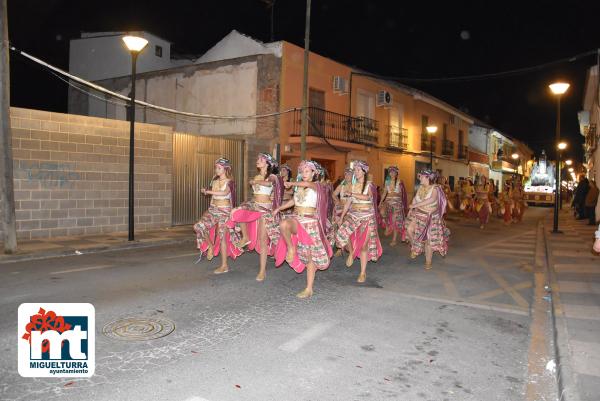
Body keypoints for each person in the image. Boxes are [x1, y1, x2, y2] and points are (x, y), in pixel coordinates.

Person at [274, 160, 333, 298]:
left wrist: (292, 183)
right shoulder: (299, 188)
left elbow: (306, 183)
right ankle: (291, 248)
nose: (304, 173)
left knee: (310, 257)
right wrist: (279, 208)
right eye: (302, 171)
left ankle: (309, 288)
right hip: (298, 218)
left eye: (307, 171)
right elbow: (294, 201)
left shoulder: (316, 185)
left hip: (310, 222)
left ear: (314, 173)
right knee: (284, 224)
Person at [227, 153, 283, 281]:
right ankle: (245, 236)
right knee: (237, 212)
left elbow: (269, 185)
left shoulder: (273, 176)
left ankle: (262, 271)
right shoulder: (257, 175)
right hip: (255, 204)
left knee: (263, 240)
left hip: (265, 208)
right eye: (257, 159)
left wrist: (256, 181)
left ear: (268, 163)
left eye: (261, 159)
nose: (258, 161)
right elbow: (257, 192)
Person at [335, 160, 382, 283]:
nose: (355, 172)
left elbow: (367, 197)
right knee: (342, 234)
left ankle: (362, 273)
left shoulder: (369, 185)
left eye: (357, 170)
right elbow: (348, 203)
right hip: (353, 215)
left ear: (364, 171)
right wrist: (341, 217)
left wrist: (352, 193)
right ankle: (351, 252)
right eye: (354, 170)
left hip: (367, 217)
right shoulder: (353, 185)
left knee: (364, 247)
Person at [193, 158, 242, 274]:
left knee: (222, 236)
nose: (216, 170)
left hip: (225, 212)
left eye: (219, 168)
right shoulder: (214, 182)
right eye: (216, 167)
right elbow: (213, 199)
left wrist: (208, 191)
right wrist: (208, 211)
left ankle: (224, 265)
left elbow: (224, 193)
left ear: (225, 169)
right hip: (214, 210)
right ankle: (210, 246)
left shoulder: (230, 182)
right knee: (198, 226)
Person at [405, 170, 450, 269]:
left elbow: (432, 199)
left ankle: (428, 261)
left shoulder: (435, 188)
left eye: (421, 176)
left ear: (427, 178)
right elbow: (415, 198)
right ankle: (416, 247)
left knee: (428, 241)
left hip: (430, 217)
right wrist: (412, 208)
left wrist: (415, 205)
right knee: (409, 229)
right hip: (419, 214)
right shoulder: (421, 187)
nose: (420, 178)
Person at [378, 166, 408, 245]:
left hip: (397, 202)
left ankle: (394, 239)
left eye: (394, 172)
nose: (392, 173)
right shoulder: (387, 182)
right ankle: (387, 226)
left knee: (395, 220)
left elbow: (402, 194)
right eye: (391, 172)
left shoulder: (400, 181)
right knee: (382, 212)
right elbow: (384, 193)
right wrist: (381, 202)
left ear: (396, 173)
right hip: (388, 201)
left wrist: (396, 194)